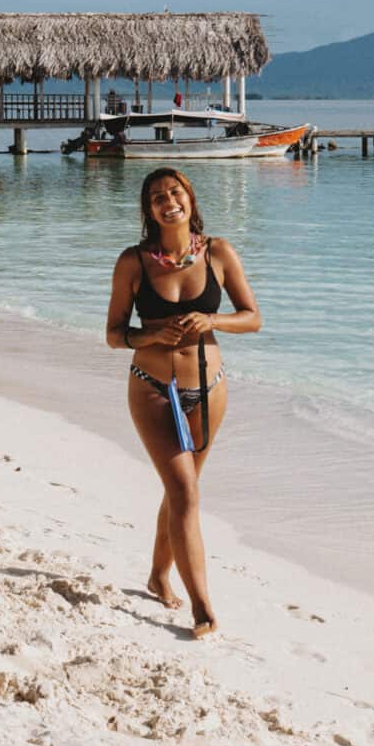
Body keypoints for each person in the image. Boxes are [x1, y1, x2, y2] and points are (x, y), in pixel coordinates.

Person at [105, 168, 261, 637]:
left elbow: (253, 318)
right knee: (186, 493)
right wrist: (152, 333)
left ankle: (158, 575)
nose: (167, 201)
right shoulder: (133, 262)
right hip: (152, 389)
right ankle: (202, 606)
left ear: (190, 197)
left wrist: (210, 319)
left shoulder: (218, 252)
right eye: (156, 197)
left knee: (182, 491)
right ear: (148, 210)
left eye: (174, 192)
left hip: (209, 390)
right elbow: (114, 335)